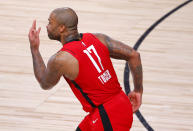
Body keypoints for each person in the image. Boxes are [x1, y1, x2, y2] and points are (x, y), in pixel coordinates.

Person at [28, 7, 143, 131]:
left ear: (62, 28)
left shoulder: (60, 59)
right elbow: (134, 55)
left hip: (108, 116)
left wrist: (34, 49)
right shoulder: (98, 38)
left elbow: (45, 83)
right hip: (118, 105)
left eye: (50, 22)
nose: (47, 26)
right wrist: (138, 90)